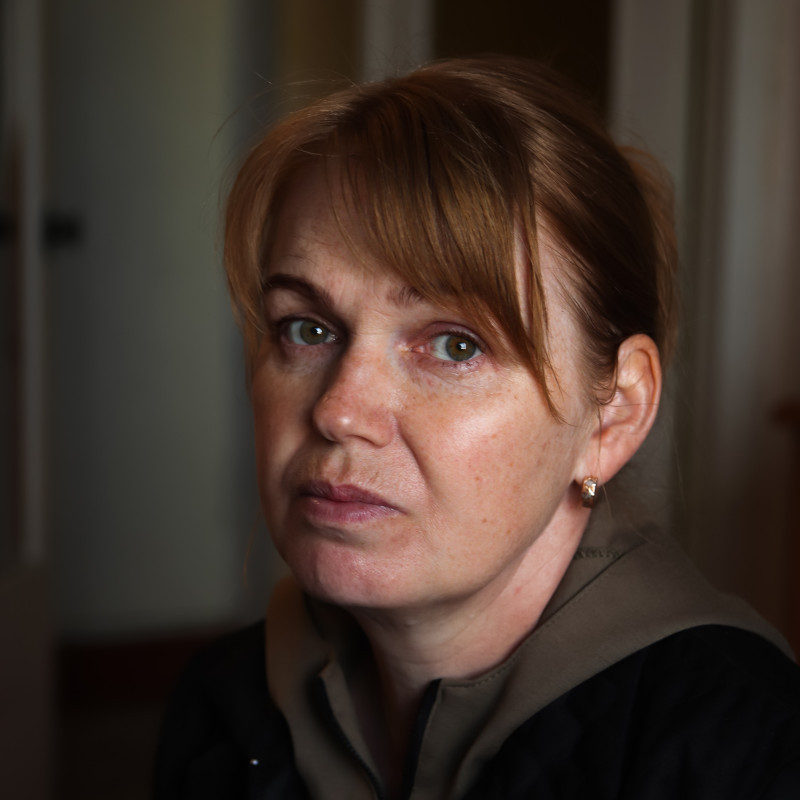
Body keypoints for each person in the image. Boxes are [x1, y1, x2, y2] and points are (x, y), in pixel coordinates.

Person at [153, 56, 800, 799]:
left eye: (456, 345)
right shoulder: (224, 709)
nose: (338, 411)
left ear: (614, 413)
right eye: (307, 329)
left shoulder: (745, 754)